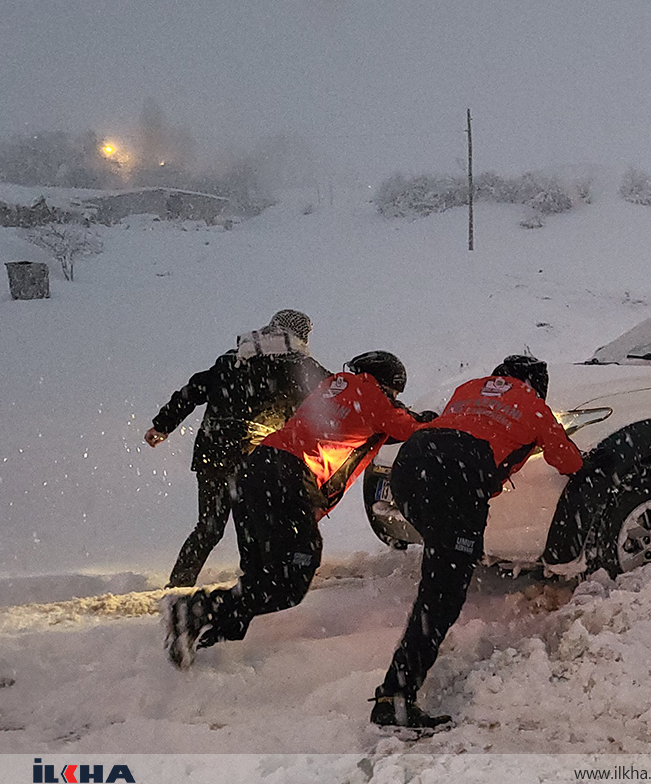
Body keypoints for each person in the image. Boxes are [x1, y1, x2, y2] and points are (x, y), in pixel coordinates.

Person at [161, 351, 425, 668]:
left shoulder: (332, 386)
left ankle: (199, 637)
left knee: (261, 577)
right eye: (395, 393)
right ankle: (196, 611)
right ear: (387, 384)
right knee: (291, 578)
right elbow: (412, 428)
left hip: (254, 472)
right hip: (285, 476)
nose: (394, 399)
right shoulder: (370, 393)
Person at [370, 355, 584, 729]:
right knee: (442, 595)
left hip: (412, 463)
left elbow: (464, 426)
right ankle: (395, 700)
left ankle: (397, 693)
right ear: (538, 385)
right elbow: (567, 461)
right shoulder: (534, 406)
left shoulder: (467, 389)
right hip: (458, 474)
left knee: (439, 576)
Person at [145, 309, 330, 588]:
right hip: (251, 453)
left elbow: (194, 389)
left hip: (212, 450)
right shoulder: (299, 365)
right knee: (252, 522)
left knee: (209, 525)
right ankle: (253, 581)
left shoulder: (233, 357)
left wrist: (162, 425)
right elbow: (335, 392)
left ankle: (179, 584)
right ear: (301, 335)